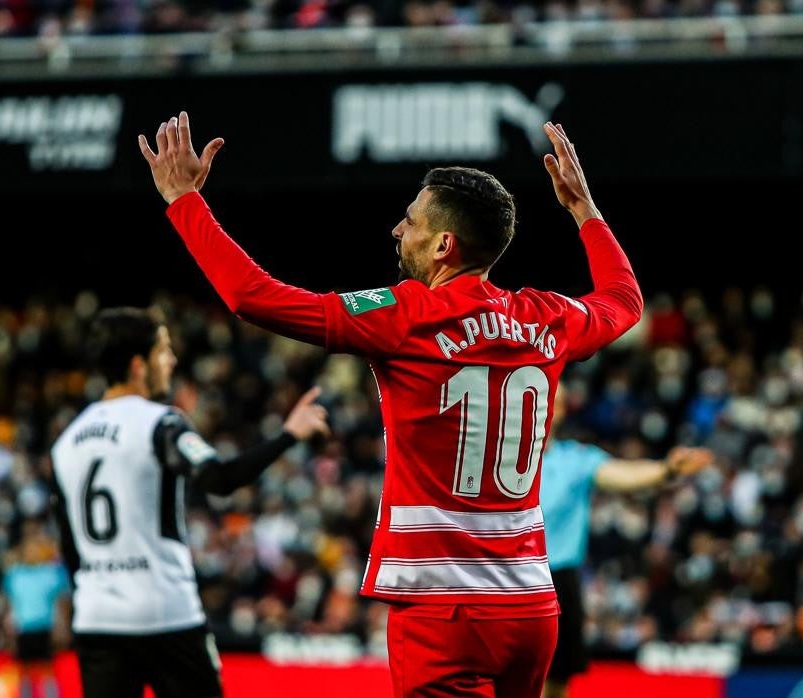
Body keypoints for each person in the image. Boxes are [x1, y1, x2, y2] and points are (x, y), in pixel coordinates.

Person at [137, 113, 643, 697]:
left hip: (442, 610)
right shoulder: (546, 316)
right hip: (531, 606)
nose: (397, 232)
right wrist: (585, 211)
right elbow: (623, 300)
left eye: (410, 222)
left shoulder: (406, 316)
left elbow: (253, 297)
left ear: (443, 246)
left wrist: (183, 203)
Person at [49, 306, 330, 698]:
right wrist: (288, 435)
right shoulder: (159, 423)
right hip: (165, 613)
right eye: (163, 351)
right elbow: (220, 479)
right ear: (137, 365)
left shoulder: (67, 441)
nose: (172, 360)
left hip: (98, 619)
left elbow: (69, 544)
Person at [539, 390, 712, 698]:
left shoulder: (576, 460)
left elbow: (622, 473)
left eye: (558, 399)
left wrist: (666, 470)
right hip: (508, 577)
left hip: (558, 581)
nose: (552, 405)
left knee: (557, 681)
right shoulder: (500, 460)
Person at [1, 523, 70, 698]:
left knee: (48, 671)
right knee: (24, 672)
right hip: (23, 629)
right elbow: (10, 604)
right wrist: (9, 628)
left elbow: (62, 602)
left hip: (45, 627)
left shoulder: (53, 572)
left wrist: (62, 627)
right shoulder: (15, 574)